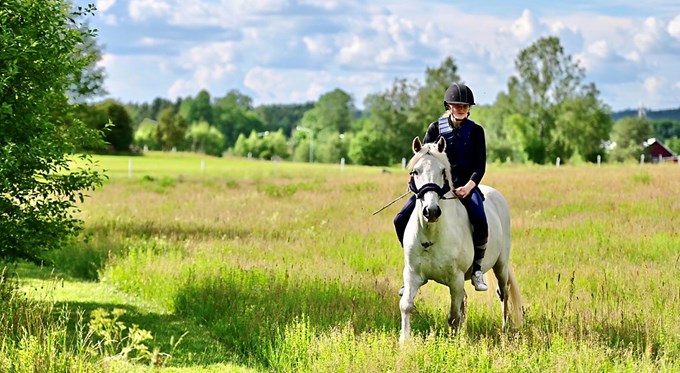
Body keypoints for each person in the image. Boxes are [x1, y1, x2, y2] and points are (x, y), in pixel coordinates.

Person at [394, 83, 489, 291]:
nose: (461, 108)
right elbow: (423, 159)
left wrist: (468, 187)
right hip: (434, 187)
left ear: (469, 108)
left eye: (465, 105)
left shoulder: (476, 132)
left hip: (465, 186)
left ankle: (477, 270)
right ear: (448, 105)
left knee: (480, 220)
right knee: (400, 219)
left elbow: (480, 166)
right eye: (457, 105)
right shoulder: (435, 128)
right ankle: (411, 267)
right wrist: (418, 185)